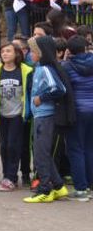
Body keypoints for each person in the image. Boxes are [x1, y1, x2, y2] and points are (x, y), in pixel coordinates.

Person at [22, 36, 73, 203]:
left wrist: (41, 98)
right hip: (40, 116)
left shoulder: (45, 69)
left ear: (41, 52)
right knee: (42, 153)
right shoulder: (40, 68)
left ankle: (45, 189)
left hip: (45, 116)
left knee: (40, 155)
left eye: (33, 51)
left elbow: (59, 89)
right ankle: (58, 187)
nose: (31, 54)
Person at [0, 42, 32, 192]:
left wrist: (28, 109)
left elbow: (30, 92)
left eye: (8, 51)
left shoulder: (25, 71)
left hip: (18, 115)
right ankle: (6, 175)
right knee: (4, 147)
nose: (5, 54)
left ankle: (12, 178)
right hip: (1, 115)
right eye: (3, 51)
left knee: (13, 146)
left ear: (17, 54)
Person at [62, 36, 93, 201]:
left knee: (75, 149)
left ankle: (81, 188)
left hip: (77, 111)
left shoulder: (67, 66)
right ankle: (90, 185)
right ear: (85, 48)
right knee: (89, 148)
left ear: (69, 50)